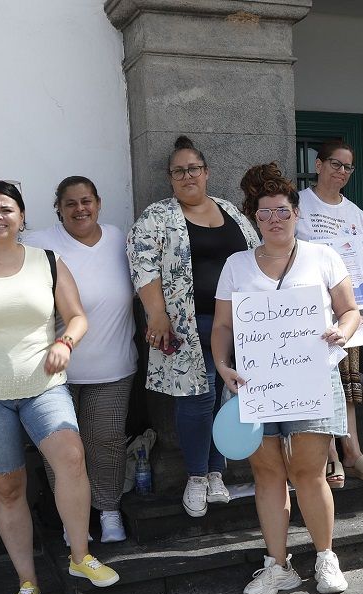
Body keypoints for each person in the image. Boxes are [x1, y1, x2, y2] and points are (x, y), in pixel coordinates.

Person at [0, 181, 119, 594]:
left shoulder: (48, 262)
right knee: (7, 485)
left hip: (44, 387)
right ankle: (27, 581)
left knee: (71, 458)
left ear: (21, 217)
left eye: (6, 208)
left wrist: (65, 343)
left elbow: (76, 316)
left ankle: (80, 556)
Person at [212, 166, 361, 594]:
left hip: (311, 379)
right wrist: (222, 365)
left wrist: (343, 332)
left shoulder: (323, 257)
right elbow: (222, 326)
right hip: (255, 384)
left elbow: (350, 311)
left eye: (282, 211)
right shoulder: (236, 265)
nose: (274, 219)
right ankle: (277, 566)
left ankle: (325, 556)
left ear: (296, 214)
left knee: (309, 472)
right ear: (254, 220)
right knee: (268, 473)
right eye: (264, 214)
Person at [127, 135, 260, 517]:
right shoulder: (158, 216)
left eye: (194, 169)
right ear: (170, 178)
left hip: (238, 325)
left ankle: (217, 474)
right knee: (197, 400)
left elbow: (254, 257)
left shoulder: (231, 211)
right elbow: (142, 263)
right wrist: (157, 314)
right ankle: (197, 476)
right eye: (178, 171)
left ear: (207, 173)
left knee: (225, 398)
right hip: (188, 324)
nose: (187, 176)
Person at [27, 176, 136, 543]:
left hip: (113, 366)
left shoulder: (119, 238)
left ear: (99, 203)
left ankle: (108, 512)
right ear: (58, 207)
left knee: (106, 441)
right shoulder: (40, 243)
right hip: (56, 371)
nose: (80, 209)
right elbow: (2, 272)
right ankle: (70, 521)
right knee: (61, 450)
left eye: (86, 201)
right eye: (71, 203)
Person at [295, 139, 363, 485]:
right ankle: (331, 457)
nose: (341, 172)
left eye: (348, 167)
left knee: (348, 388)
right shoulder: (299, 204)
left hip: (345, 314)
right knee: (320, 386)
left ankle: (353, 451)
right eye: (335, 164)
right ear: (318, 165)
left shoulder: (354, 213)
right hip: (306, 316)